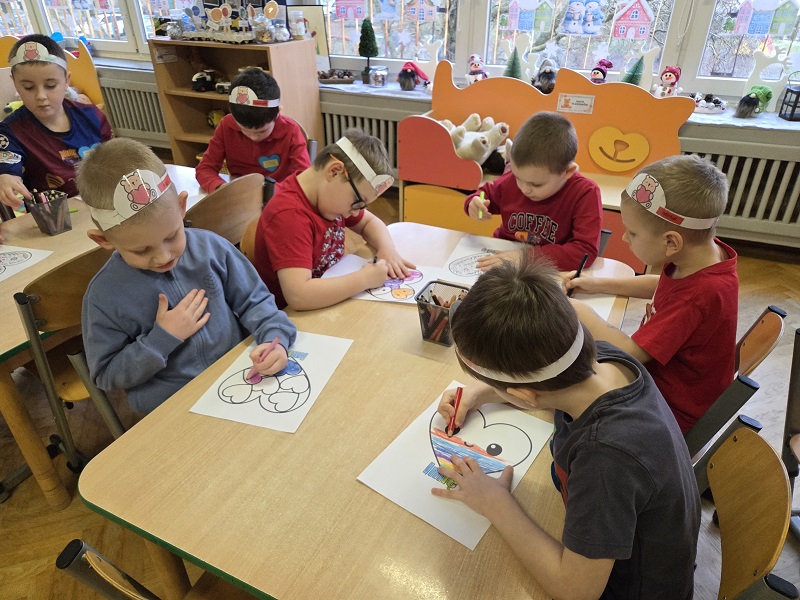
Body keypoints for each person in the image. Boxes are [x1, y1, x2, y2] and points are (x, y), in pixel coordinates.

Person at [434, 253, 700, 599]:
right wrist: (481, 393)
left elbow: (575, 591)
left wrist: (495, 502)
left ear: (524, 395)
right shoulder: (604, 358)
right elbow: (546, 387)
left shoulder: (606, 457)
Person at [79, 138, 297, 414]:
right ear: (103, 240)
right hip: (174, 407)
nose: (163, 257)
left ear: (182, 207)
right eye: (142, 250)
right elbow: (106, 375)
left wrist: (274, 338)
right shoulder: (104, 296)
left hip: (239, 377)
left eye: (172, 236)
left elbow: (255, 301)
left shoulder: (211, 248)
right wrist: (162, 338)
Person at [566, 154, 737, 433]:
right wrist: (598, 284)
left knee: (571, 394)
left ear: (671, 242)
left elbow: (630, 353)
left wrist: (576, 310)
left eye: (632, 233)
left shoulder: (697, 297)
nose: (624, 238)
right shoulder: (700, 255)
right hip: (669, 385)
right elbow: (663, 284)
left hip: (671, 412)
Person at [254, 128, 415, 310]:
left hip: (330, 300)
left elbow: (370, 223)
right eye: (357, 202)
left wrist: (387, 249)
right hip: (291, 316)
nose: (355, 213)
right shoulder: (288, 215)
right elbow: (299, 296)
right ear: (335, 171)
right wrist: (364, 279)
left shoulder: (329, 199)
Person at [464, 111, 602, 272]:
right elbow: (484, 193)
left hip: (547, 270)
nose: (524, 188)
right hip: (503, 259)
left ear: (568, 171)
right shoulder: (512, 181)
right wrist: (474, 203)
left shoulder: (585, 193)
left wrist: (525, 257)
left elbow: (584, 251)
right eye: (517, 177)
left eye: (536, 184)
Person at [0, 34, 113, 209]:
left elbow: (114, 160)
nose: (41, 96)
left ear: (66, 80)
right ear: (15, 84)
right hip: (55, 215)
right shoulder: (11, 131)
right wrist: (7, 178)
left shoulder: (92, 116)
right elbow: (7, 166)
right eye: (28, 87)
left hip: (103, 203)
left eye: (50, 85)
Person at [195, 68, 310, 192]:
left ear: (277, 112)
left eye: (262, 131)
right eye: (243, 130)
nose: (254, 137)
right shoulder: (226, 126)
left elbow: (304, 179)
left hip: (280, 194)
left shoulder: (291, 131)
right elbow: (205, 168)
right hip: (240, 193)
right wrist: (221, 188)